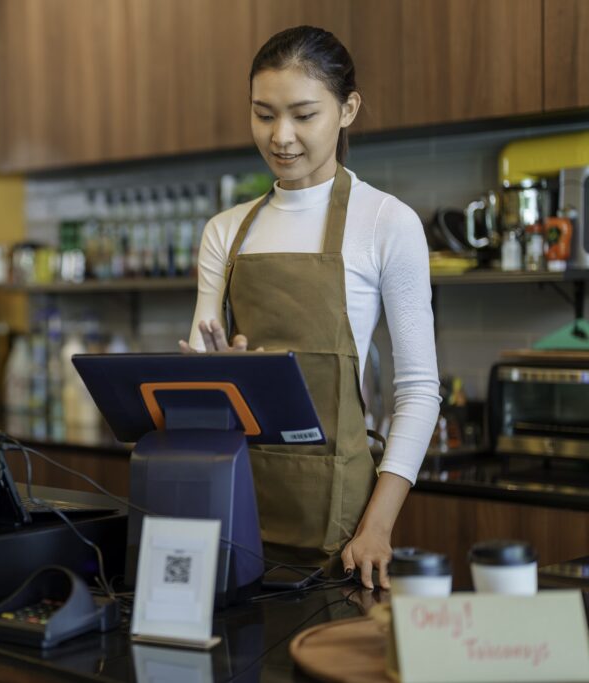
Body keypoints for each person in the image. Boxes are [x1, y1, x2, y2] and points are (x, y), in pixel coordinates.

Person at [179, 26, 440, 589]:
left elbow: (418, 388)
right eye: (264, 114)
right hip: (233, 512)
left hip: (344, 528)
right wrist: (207, 375)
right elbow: (200, 389)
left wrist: (377, 526)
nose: (282, 137)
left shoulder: (386, 223)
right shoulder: (225, 231)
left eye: (303, 114)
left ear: (347, 110)